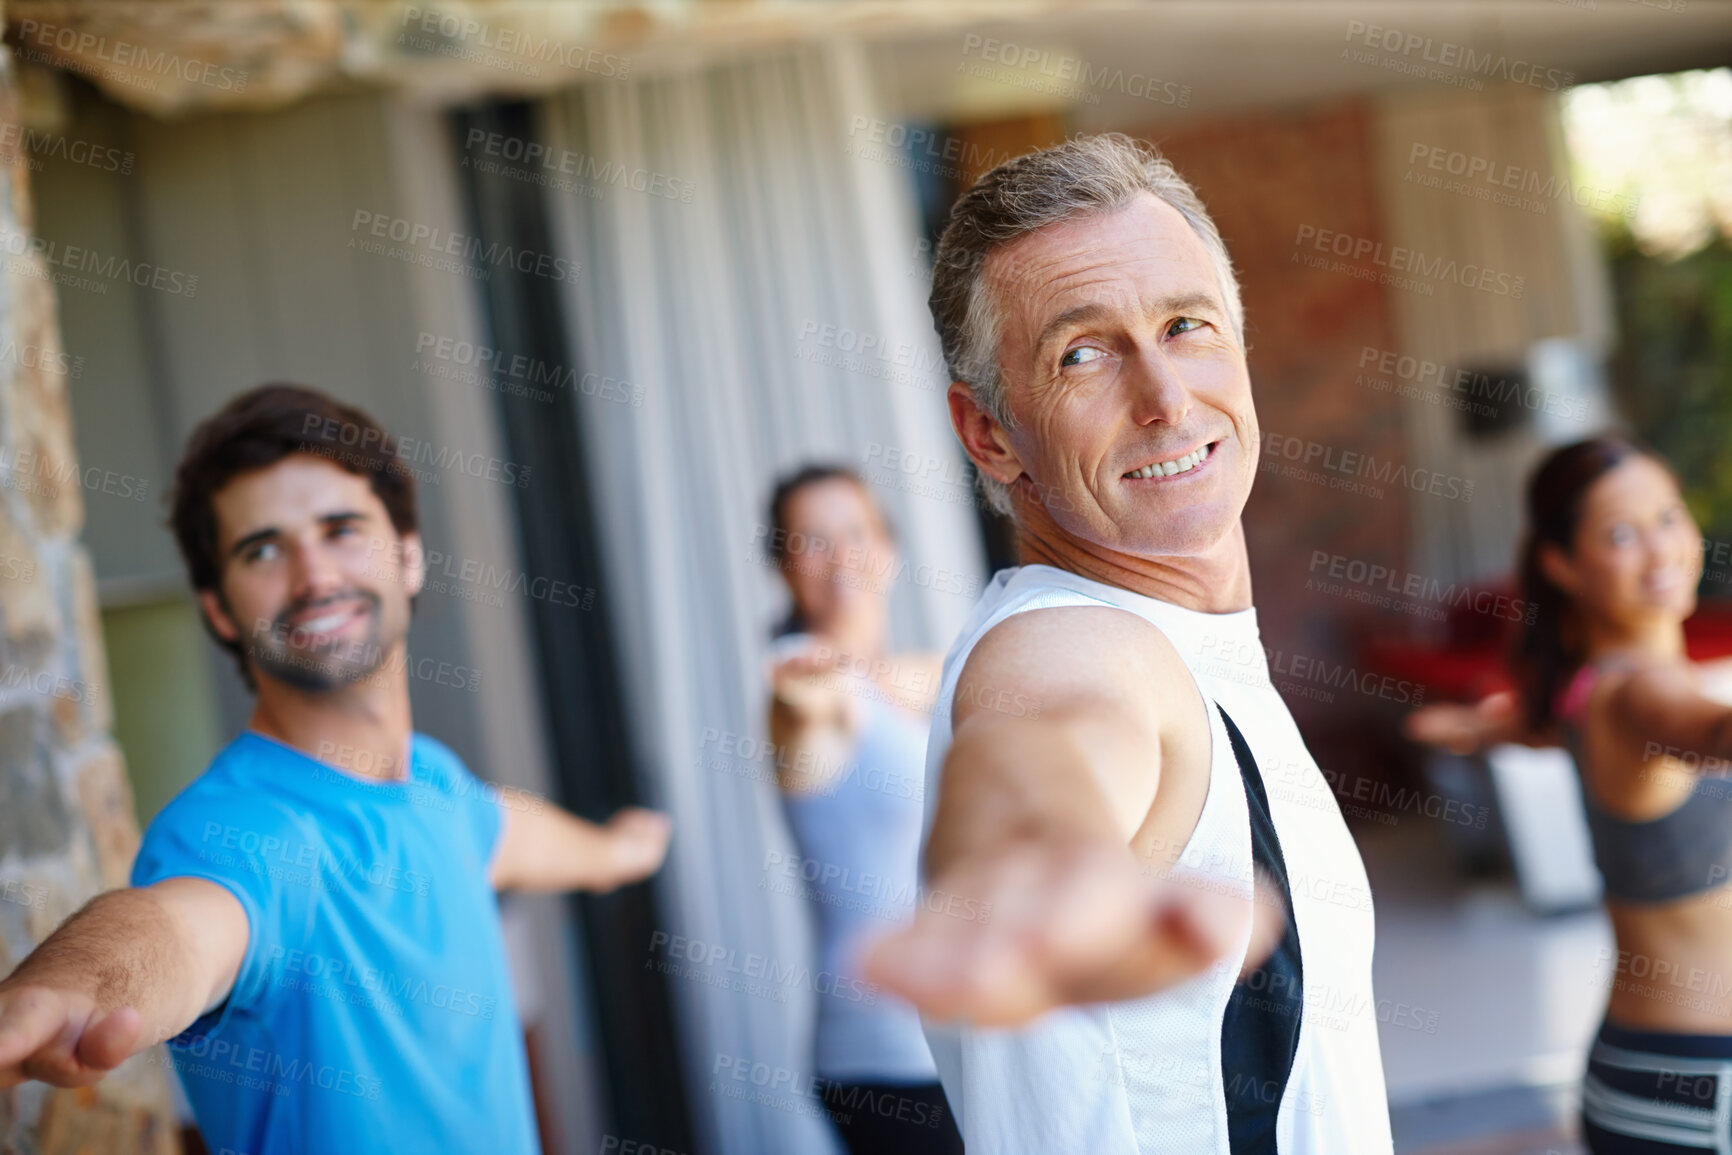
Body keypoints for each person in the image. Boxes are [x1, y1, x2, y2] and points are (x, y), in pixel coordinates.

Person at [862, 133, 1391, 1153]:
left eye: (1184, 326)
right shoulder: (1070, 644)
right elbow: (1042, 742)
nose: (1164, 399)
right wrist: (1034, 866)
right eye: (1083, 353)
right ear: (989, 434)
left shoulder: (1189, 644)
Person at [0, 384, 671, 1155]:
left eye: (341, 528)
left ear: (410, 556)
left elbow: (518, 830)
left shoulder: (437, 787)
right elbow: (172, 930)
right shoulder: (233, 833)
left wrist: (625, 848)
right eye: (263, 549)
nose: (312, 575)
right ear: (220, 609)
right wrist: (66, 986)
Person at [1407, 436, 1732, 1155]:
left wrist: (1477, 727)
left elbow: (1526, 723)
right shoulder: (1642, 692)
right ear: (1561, 564)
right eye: (1621, 533)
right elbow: (1710, 727)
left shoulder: (1584, 689)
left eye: (1669, 517)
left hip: (1656, 1075)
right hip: (1696, 1090)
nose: (1662, 549)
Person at [763, 465, 963, 1155]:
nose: (840, 554)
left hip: (950, 1042)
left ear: (888, 548)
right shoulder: (804, 674)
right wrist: (801, 704)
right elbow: (805, 735)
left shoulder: (911, 680)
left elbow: (934, 675)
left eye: (854, 530)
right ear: (783, 567)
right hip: (885, 1058)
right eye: (811, 539)